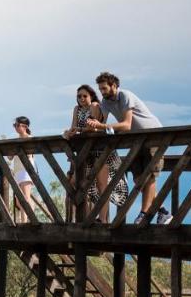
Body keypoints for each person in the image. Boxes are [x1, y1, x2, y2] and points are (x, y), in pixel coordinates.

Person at [87, 71, 170, 224]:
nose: (102, 92)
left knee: (149, 175)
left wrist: (102, 126)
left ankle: (144, 214)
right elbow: (101, 123)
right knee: (139, 179)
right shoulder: (105, 102)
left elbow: (126, 125)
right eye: (100, 89)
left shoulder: (125, 95)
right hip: (137, 140)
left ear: (114, 86)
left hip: (155, 136)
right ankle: (163, 211)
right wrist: (91, 122)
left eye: (104, 88)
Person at [65, 85, 129, 220]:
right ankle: (88, 218)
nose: (81, 98)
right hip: (85, 152)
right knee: (76, 183)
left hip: (101, 150)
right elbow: (74, 127)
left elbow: (91, 127)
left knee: (102, 185)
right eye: (79, 96)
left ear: (91, 96)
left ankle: (102, 219)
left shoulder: (94, 105)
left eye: (84, 96)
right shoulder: (76, 109)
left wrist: (75, 130)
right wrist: (69, 132)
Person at [10, 116, 39, 221]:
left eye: (17, 125)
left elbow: (30, 154)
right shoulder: (16, 139)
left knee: (25, 198)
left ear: (25, 126)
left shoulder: (29, 138)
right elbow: (10, 157)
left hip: (26, 169)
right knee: (18, 200)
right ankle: (27, 219)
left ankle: (26, 221)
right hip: (17, 169)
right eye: (15, 125)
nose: (16, 128)